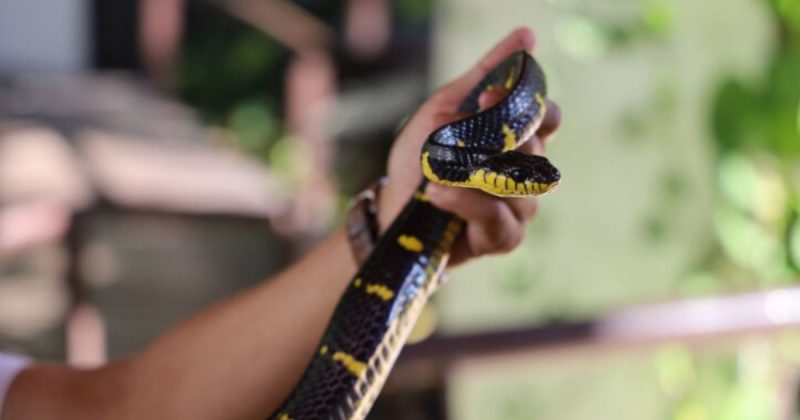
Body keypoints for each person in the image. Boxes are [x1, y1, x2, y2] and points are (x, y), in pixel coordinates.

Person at [0, 27, 561, 420]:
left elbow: (117, 408)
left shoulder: (452, 159)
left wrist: (396, 213)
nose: (534, 181)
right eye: (522, 177)